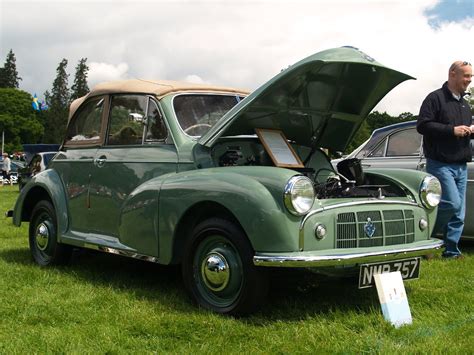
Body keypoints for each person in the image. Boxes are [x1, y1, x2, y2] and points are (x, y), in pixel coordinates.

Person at [417, 60, 473, 259]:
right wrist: (452, 130)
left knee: (459, 213)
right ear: (453, 74)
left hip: (460, 164)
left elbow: (463, 133)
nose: (469, 80)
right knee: (452, 204)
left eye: (470, 76)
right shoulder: (435, 98)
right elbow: (422, 125)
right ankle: (424, 239)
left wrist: (470, 131)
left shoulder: (465, 105)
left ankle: (451, 251)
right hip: (440, 163)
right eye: (466, 76)